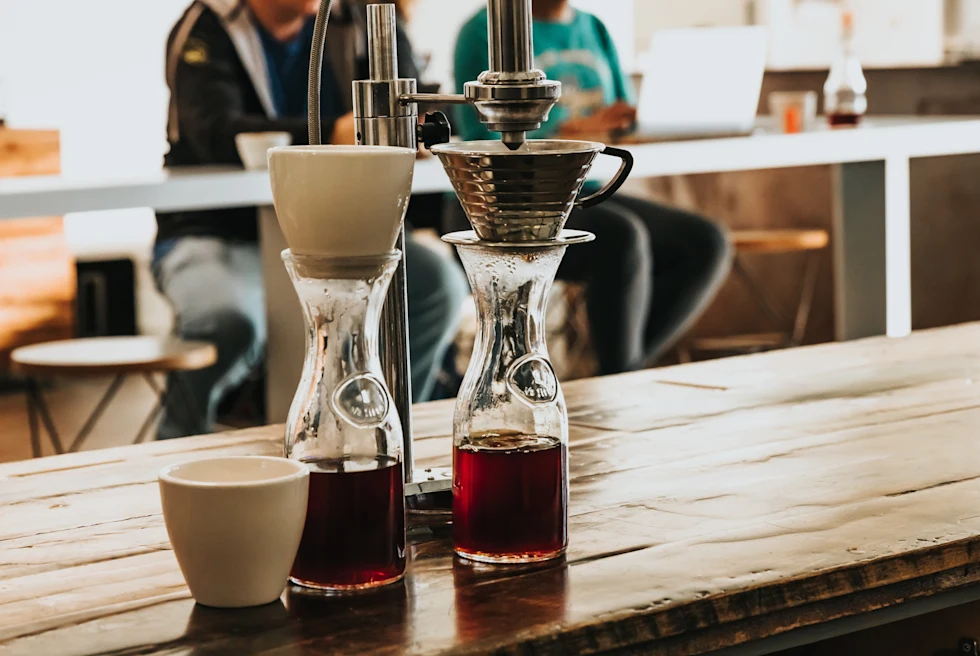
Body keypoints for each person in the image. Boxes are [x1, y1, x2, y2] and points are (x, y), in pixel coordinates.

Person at [157, 0, 467, 439]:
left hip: (335, 226)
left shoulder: (361, 18)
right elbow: (212, 130)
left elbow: (421, 107)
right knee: (226, 322)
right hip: (216, 232)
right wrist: (332, 133)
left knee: (435, 287)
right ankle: (173, 450)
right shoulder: (206, 26)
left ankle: (374, 431)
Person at [453, 0, 732, 374]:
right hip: (509, 198)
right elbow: (479, 136)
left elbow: (620, 113)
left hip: (586, 192)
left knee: (704, 242)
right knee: (622, 238)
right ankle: (620, 377)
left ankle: (617, 373)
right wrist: (573, 131)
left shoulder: (594, 27)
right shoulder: (484, 29)